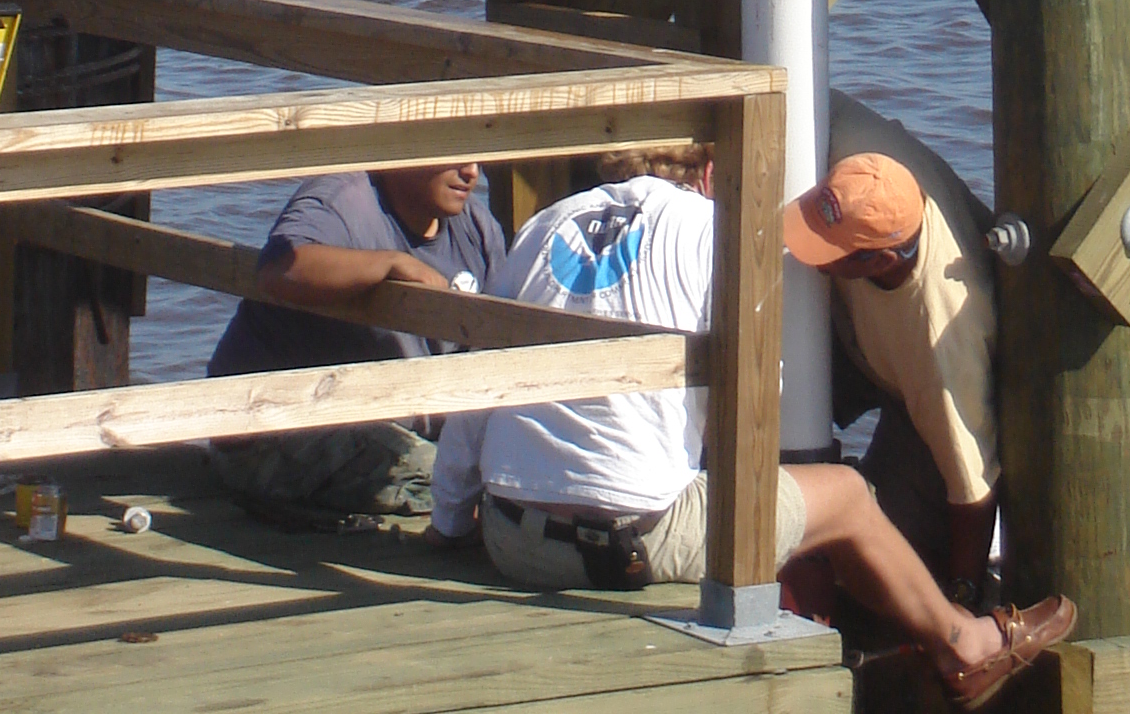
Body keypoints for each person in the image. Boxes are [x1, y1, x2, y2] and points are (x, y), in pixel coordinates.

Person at [429, 147, 1071, 706]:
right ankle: (963, 642)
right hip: (626, 545)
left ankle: (882, 619)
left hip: (512, 540)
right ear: (712, 174)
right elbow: (763, 411)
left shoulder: (545, 224)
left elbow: (478, 385)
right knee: (846, 498)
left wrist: (450, 522)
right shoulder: (716, 235)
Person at [785, 93, 1000, 599]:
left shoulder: (937, 339)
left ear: (881, 261)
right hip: (862, 335)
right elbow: (810, 94)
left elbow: (972, 487)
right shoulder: (852, 149)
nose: (806, 251)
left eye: (829, 250)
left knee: (880, 566)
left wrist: (962, 592)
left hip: (929, 393)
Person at [205, 160, 505, 523]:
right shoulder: (343, 201)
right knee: (448, 480)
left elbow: (496, 341)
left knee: (505, 464)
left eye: (476, 159)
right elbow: (279, 269)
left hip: (399, 427)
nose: (471, 172)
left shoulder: (476, 227)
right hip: (277, 430)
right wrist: (387, 264)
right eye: (454, 155)